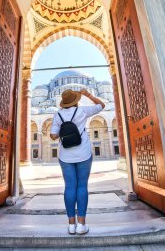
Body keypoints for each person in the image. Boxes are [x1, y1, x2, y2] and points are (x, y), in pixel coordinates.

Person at [50, 88, 105, 235]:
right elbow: (101, 105)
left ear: (63, 102)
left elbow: (53, 136)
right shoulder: (82, 112)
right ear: (75, 101)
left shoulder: (57, 114)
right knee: (82, 186)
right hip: (84, 154)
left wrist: (63, 128)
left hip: (65, 156)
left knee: (69, 187)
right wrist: (88, 94)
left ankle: (71, 225)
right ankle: (82, 225)